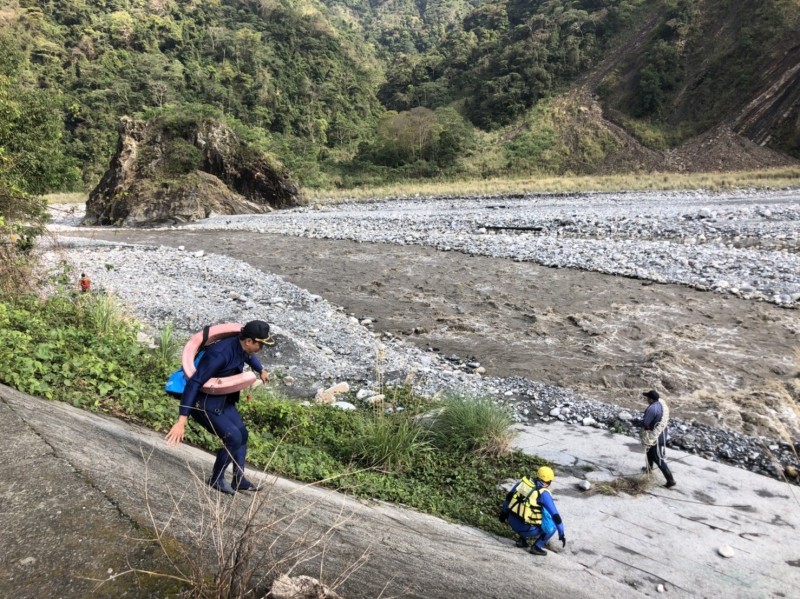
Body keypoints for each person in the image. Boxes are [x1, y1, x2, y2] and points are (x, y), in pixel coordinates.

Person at [165, 320, 272, 495]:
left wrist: (261, 370)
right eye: (261, 344)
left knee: (242, 434)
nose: (262, 348)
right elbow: (193, 384)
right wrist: (181, 420)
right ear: (249, 341)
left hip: (221, 400)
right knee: (233, 437)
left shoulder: (243, 347)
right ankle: (216, 479)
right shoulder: (220, 354)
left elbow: (249, 357)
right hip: (203, 403)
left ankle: (239, 479)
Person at [499, 466, 566, 556]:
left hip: (511, 520)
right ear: (549, 482)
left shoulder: (523, 483)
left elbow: (509, 497)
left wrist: (503, 513)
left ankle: (522, 540)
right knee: (552, 527)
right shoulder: (543, 494)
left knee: (527, 512)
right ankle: (537, 547)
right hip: (525, 529)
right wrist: (561, 534)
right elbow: (556, 516)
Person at [634, 389, 676, 488]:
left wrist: (636, 422)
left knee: (657, 458)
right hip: (662, 433)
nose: (647, 399)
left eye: (648, 398)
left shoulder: (652, 409)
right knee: (649, 452)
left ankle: (670, 480)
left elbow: (645, 423)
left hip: (655, 436)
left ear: (651, 399)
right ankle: (649, 469)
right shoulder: (660, 404)